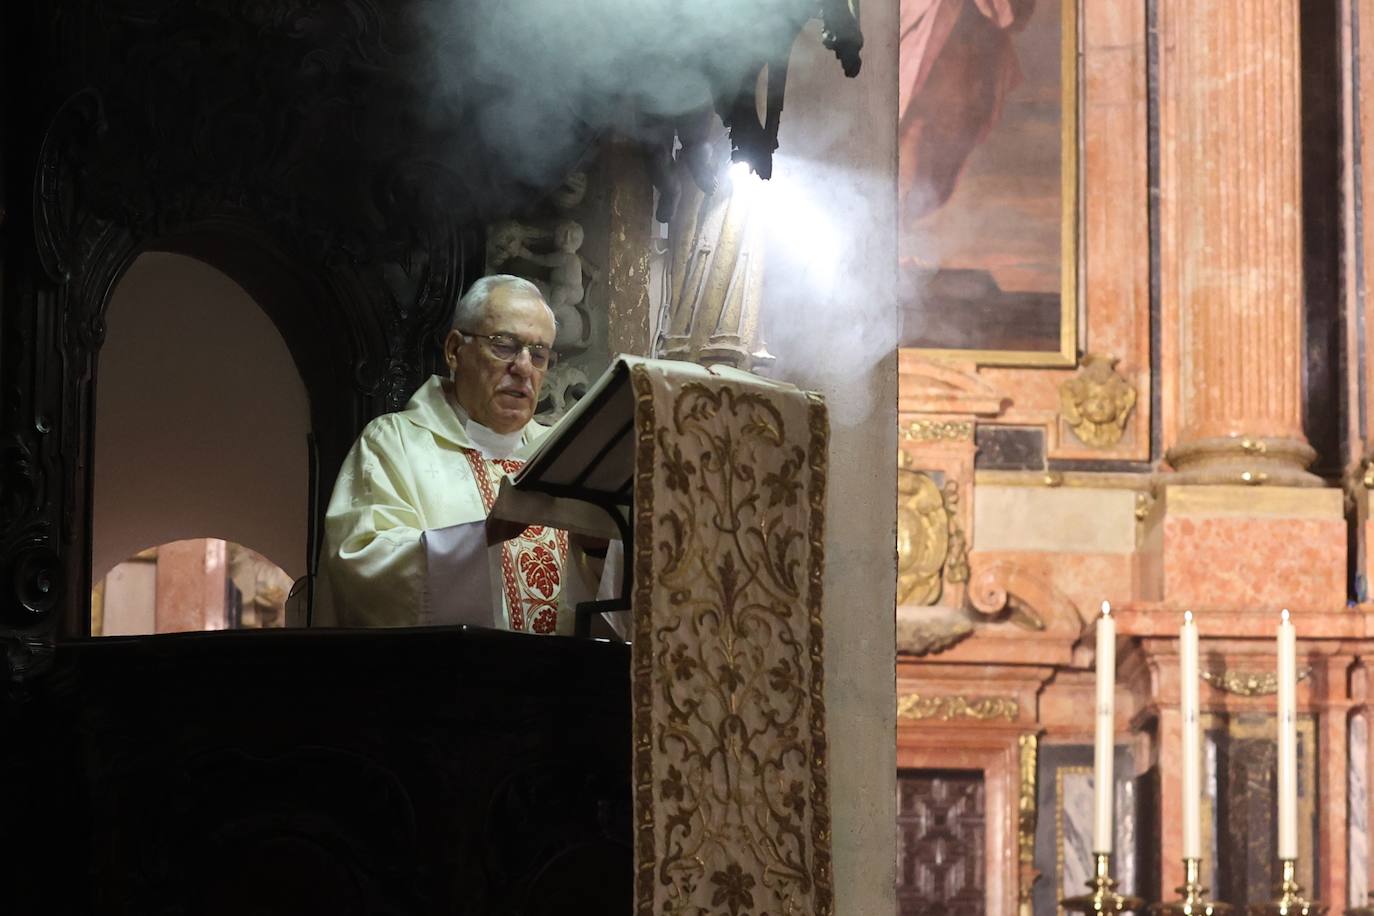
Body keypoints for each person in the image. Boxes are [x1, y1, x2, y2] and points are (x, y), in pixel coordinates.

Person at [322, 274, 595, 632]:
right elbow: (362, 569)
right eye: (504, 346)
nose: (524, 367)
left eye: (539, 354)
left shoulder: (565, 457)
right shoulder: (393, 444)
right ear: (454, 350)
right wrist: (481, 538)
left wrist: (600, 552)